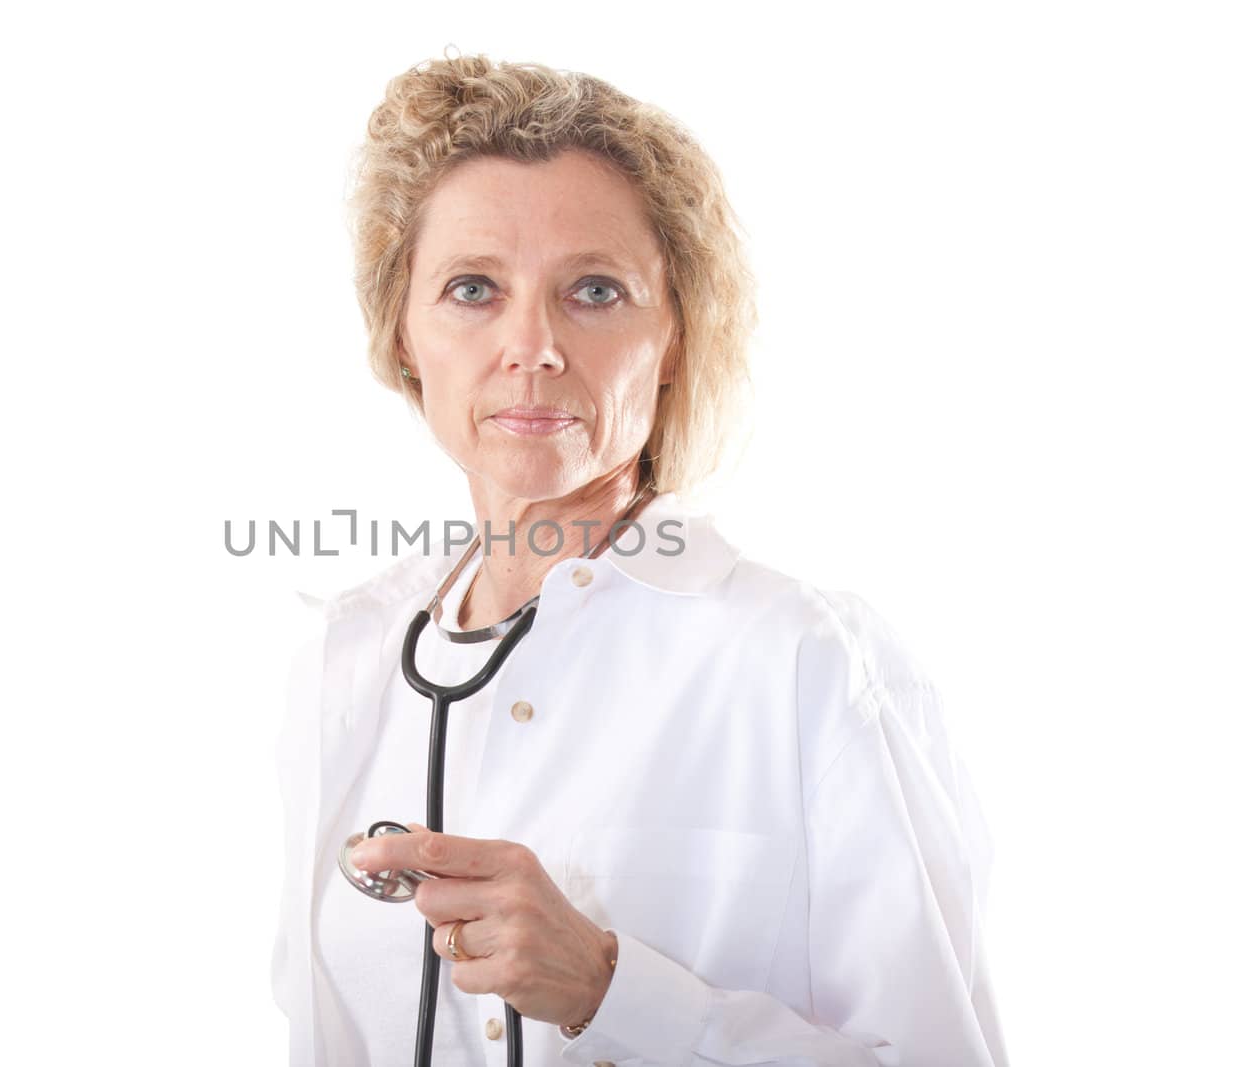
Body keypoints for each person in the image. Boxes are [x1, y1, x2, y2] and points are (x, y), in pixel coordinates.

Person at [270, 52, 1008, 1066]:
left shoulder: (804, 663)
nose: (531, 345)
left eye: (595, 291)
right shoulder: (346, 659)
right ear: (403, 335)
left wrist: (612, 987)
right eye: (473, 288)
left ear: (674, 337)